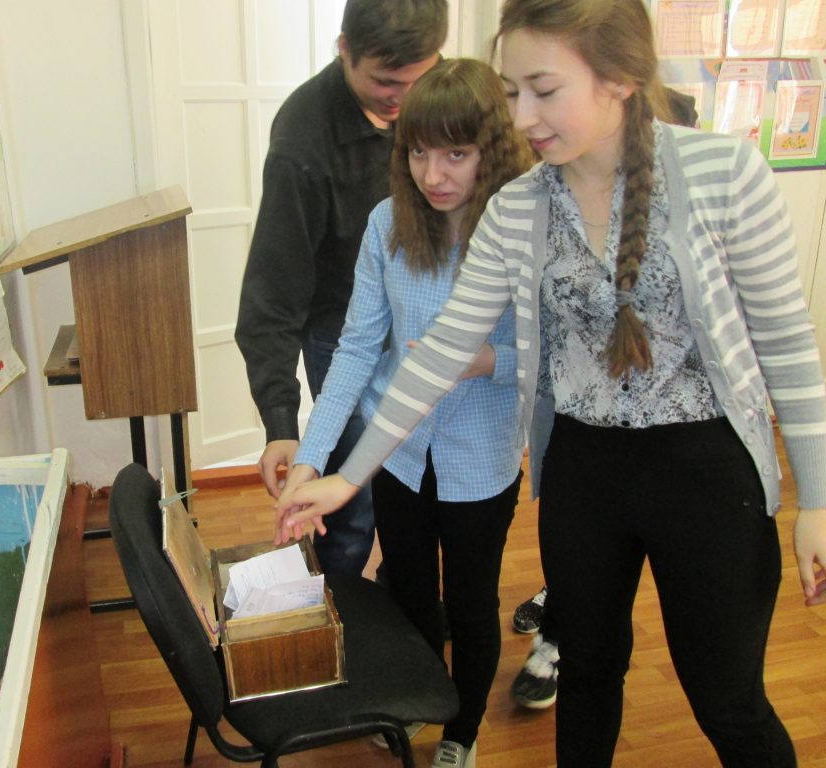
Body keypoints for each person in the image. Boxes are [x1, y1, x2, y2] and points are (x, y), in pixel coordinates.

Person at [276, 1, 826, 765]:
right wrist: (345, 476)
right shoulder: (519, 206)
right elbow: (437, 353)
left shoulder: (724, 174)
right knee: (589, 672)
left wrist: (817, 502)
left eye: (544, 89)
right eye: (513, 92)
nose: (523, 117)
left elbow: (788, 348)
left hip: (709, 473)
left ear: (620, 79)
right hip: (581, 471)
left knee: (727, 700)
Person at [276, 58, 534, 768]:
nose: (433, 174)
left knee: (473, 605)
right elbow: (357, 349)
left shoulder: (519, 232)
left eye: (456, 154)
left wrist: (486, 361)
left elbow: (550, 356)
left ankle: (463, 732)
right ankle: (423, 700)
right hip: (397, 453)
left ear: (492, 151)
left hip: (481, 456)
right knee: (413, 592)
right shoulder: (387, 224)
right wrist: (310, 460)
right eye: (418, 152)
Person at [507, 81, 703, 713]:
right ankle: (560, 620)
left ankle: (565, 613)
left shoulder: (700, 196)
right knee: (589, 625)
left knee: (719, 686)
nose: (524, 114)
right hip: (581, 448)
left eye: (541, 89)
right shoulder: (540, 202)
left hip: (686, 458)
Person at [234, 0, 448, 577]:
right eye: (385, 82)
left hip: (432, 321)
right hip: (343, 330)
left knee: (420, 486)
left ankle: (406, 599)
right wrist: (281, 425)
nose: (403, 99)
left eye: (417, 79)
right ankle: (342, 609)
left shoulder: (447, 101)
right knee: (351, 508)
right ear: (344, 49)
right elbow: (272, 293)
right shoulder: (304, 139)